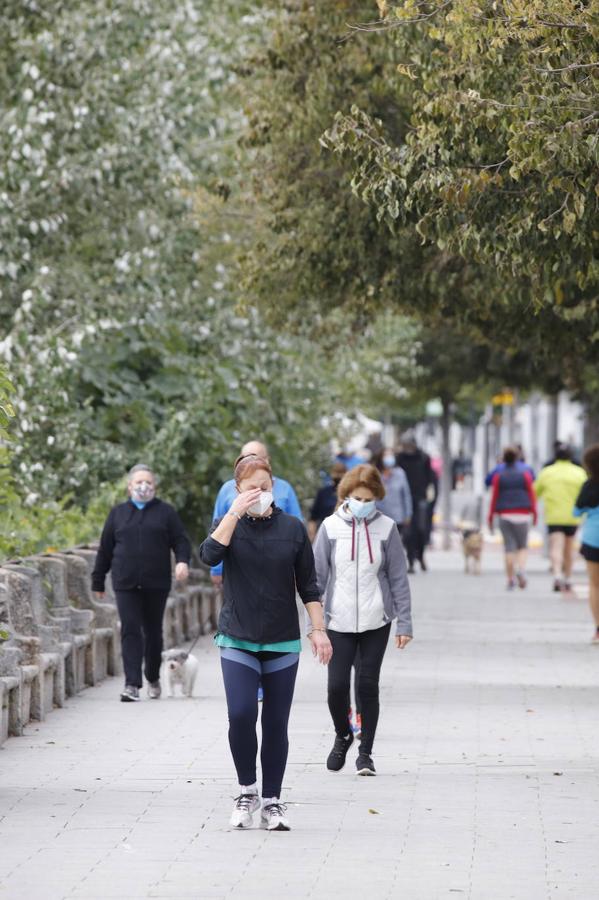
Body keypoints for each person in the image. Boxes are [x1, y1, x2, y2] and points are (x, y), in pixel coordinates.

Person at [199, 454, 332, 831]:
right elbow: (209, 555)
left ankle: (272, 800)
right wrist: (233, 514)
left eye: (265, 487)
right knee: (242, 713)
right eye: (251, 488)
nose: (260, 493)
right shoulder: (228, 526)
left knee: (275, 723)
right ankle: (247, 791)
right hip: (237, 636)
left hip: (281, 639)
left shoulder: (292, 528)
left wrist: (318, 629)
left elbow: (309, 585)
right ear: (237, 490)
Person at [313, 464, 412, 777]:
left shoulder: (387, 528)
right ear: (346, 495)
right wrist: (315, 627)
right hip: (337, 620)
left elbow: (398, 577)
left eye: (369, 499)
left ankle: (365, 753)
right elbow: (316, 578)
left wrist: (404, 622)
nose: (363, 504)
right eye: (358, 498)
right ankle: (343, 734)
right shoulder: (329, 527)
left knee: (368, 685)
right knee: (336, 687)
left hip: (376, 619)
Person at [92, 464, 191, 702]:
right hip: (125, 582)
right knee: (130, 629)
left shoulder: (165, 512)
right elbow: (105, 548)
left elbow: (181, 541)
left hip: (156, 583)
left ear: (155, 486)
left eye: (148, 482)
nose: (143, 486)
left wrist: (182, 562)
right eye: (138, 482)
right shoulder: (118, 513)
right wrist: (98, 580)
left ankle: (153, 676)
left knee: (153, 632)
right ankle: (132, 684)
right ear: (129, 486)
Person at [209, 440, 302, 588]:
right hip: (239, 569)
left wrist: (298, 568)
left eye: (256, 457)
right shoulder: (227, 489)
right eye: (246, 458)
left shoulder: (285, 489)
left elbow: (298, 530)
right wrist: (216, 569)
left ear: (267, 460)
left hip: (278, 569)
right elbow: (217, 532)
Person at [534, 444, 586, 593]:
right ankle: (568, 578)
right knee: (569, 549)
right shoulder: (579, 473)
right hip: (573, 517)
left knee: (556, 546)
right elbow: (585, 493)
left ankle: (557, 575)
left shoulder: (546, 472)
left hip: (554, 516)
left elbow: (535, 492)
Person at [488, 447, 537, 590]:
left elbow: (494, 498)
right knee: (522, 546)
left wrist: (490, 517)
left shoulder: (499, 475)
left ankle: (510, 579)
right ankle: (521, 570)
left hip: (504, 514)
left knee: (509, 547)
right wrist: (534, 513)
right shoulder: (525, 474)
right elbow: (532, 495)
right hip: (523, 514)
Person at [396, 434, 435, 573]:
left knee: (421, 529)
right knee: (408, 532)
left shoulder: (424, 458)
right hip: (404, 499)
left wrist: (430, 495)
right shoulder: (399, 458)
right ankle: (411, 560)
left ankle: (421, 556)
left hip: (420, 498)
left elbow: (430, 478)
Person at [573, 444, 599, 643]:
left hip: (593, 539)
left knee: (595, 585)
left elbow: (576, 512)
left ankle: (598, 630)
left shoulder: (589, 486)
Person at [374, 448, 413, 537]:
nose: (389, 457)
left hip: (397, 518)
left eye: (391, 455)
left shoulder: (400, 473)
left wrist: (408, 514)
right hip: (379, 518)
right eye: (386, 455)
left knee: (395, 543)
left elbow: (406, 495)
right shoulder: (376, 474)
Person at [308, 461, 347, 541]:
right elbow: (313, 517)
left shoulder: (350, 493)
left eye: (341, 473)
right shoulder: (323, 493)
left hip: (345, 534)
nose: (338, 476)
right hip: (325, 533)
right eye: (336, 473)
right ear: (332, 474)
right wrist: (312, 536)